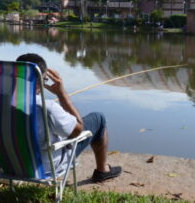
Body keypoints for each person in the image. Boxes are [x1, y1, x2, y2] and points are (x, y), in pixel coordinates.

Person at [16, 53, 122, 182]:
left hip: (9, 164)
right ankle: (103, 170)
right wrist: (62, 94)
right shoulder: (47, 107)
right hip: (43, 168)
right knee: (98, 119)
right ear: (39, 82)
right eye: (44, 80)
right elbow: (78, 129)